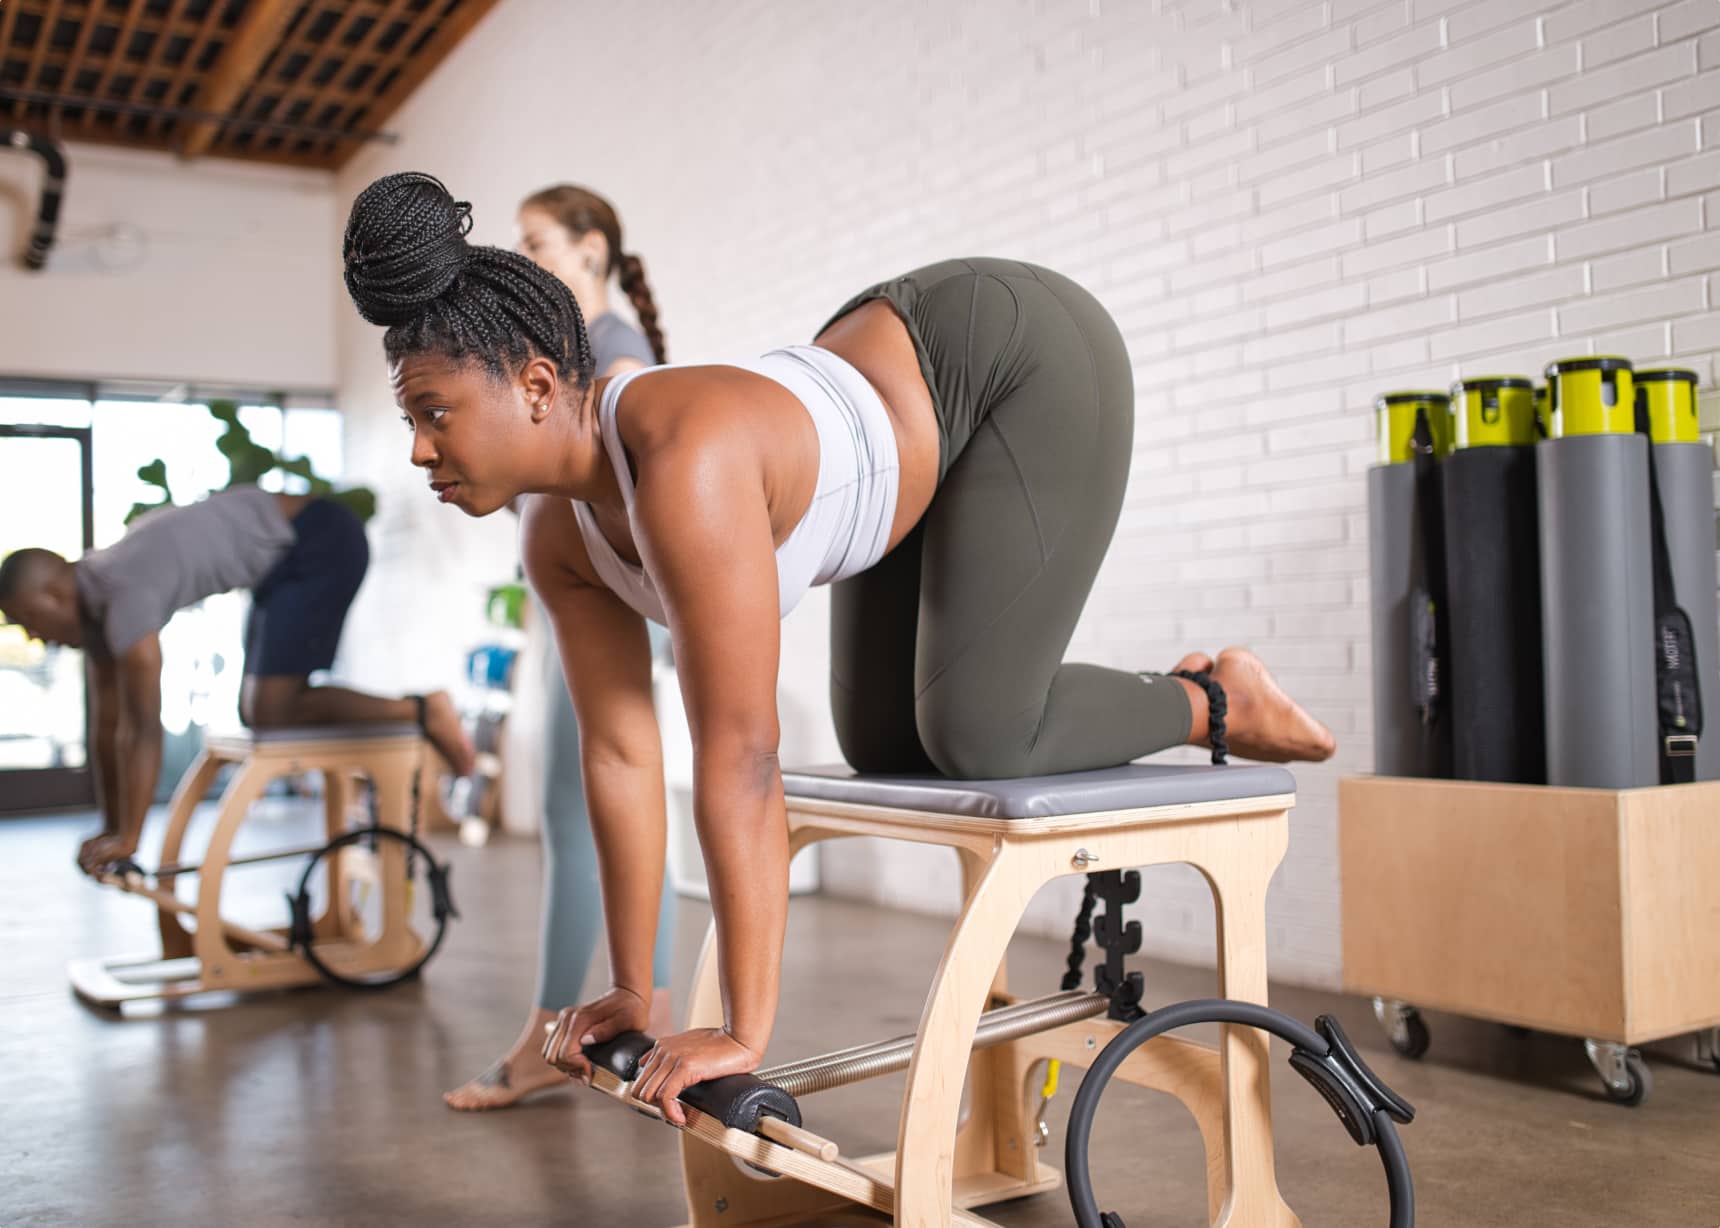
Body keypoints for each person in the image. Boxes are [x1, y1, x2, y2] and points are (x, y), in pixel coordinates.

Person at [340, 171, 1335, 1126]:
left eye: (435, 415)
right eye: (410, 420)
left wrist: (742, 1026)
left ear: (539, 385)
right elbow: (621, 752)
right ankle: (1196, 694)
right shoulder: (556, 534)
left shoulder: (681, 456)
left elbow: (741, 750)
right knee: (888, 744)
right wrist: (632, 990)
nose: (421, 449)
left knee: (980, 731)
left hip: (1011, 358)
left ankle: (1214, 695)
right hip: (890, 396)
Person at [444, 184, 678, 1112]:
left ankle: (552, 1035)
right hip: (591, 596)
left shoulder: (609, 352)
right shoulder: (597, 347)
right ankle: (643, 1013)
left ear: (591, 250)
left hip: (601, 599)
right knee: (606, 815)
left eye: (537, 241)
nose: (525, 255)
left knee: (575, 812)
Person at [0, 488, 476, 877]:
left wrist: (129, 838)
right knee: (261, 711)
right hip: (280, 564)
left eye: (28, 620)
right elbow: (107, 729)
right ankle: (419, 712)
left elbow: (142, 727)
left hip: (319, 538)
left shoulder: (122, 592)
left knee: (271, 708)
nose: (34, 637)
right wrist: (110, 829)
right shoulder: (98, 603)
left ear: (56, 591)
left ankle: (423, 710)